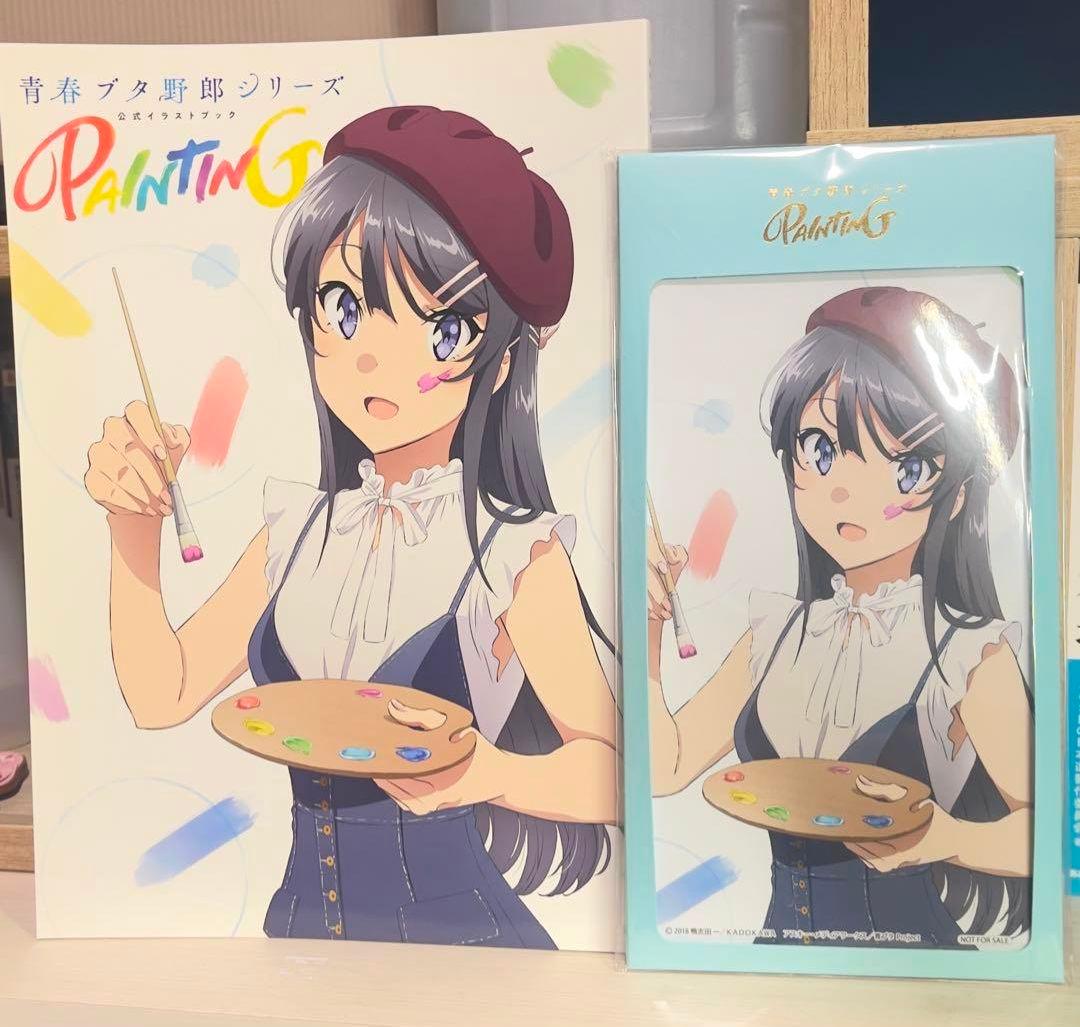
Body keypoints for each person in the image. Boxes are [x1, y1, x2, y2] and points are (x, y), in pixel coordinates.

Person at [85, 106, 617, 948]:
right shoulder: (298, 531)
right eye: (344, 306)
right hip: (303, 931)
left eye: (443, 328)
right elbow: (162, 694)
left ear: (503, 361)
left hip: (463, 950)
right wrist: (132, 524)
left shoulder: (512, 552)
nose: (374, 356)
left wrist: (492, 773)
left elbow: (615, 772)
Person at [648, 286, 1032, 947]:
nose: (844, 490)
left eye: (906, 467)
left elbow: (1043, 830)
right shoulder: (777, 634)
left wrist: (947, 837)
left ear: (957, 491)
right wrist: (652, 624)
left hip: (913, 969)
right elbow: (667, 766)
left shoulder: (969, 653)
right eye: (820, 450)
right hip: (779, 959)